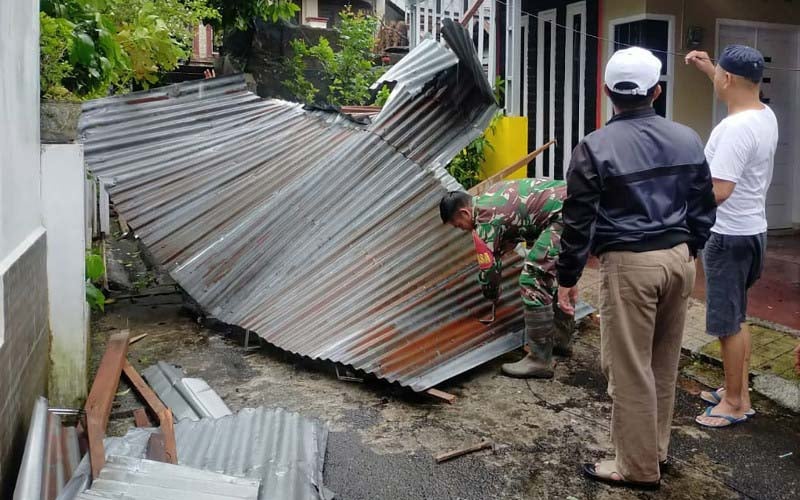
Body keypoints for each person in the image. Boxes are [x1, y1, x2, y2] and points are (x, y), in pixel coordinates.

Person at [556, 47, 716, 488]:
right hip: (678, 260)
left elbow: (578, 221)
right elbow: (703, 205)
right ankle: (654, 453)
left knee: (629, 369)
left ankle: (635, 468)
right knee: (663, 364)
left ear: (608, 93)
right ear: (656, 91)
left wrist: (567, 279)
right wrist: (691, 247)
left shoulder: (594, 147)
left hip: (629, 265)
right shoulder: (687, 137)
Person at [685, 45, 778, 428]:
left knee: (727, 323)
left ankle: (736, 403)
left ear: (729, 79)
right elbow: (733, 86)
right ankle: (736, 388)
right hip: (753, 232)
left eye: (719, 73)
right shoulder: (763, 113)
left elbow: (719, 191)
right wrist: (710, 69)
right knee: (737, 317)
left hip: (728, 237)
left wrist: (681, 207)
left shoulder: (735, 129)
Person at [439, 178, 574, 379]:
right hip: (575, 203)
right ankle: (560, 341)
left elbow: (489, 269)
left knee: (532, 279)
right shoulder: (491, 195)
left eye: (459, 225)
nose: (462, 229)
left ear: (464, 213)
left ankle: (540, 360)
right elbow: (509, 236)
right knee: (551, 272)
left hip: (565, 215)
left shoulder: (484, 220)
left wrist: (491, 292)